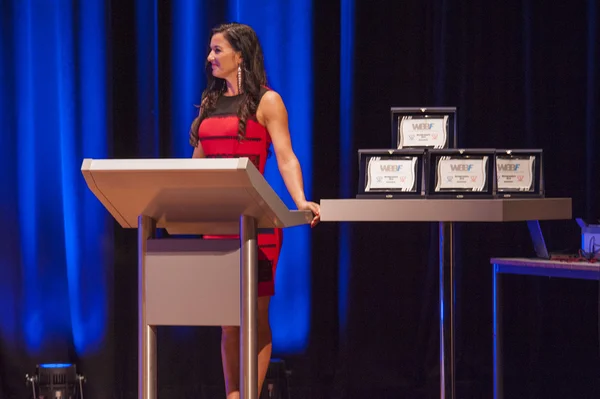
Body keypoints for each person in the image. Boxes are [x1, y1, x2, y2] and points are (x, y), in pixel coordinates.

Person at [188, 22, 320, 399]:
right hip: (217, 225)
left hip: (257, 225)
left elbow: (286, 157)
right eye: (209, 50)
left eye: (217, 50)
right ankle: (233, 395)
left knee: (255, 316)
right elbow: (196, 165)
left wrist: (300, 200)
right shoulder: (209, 103)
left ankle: (248, 395)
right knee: (228, 322)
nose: (209, 57)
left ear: (239, 55)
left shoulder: (267, 101)